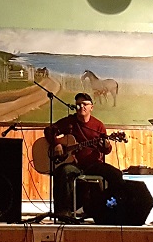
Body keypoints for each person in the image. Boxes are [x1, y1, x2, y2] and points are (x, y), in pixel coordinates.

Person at [43, 92, 123, 222]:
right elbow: (49, 130)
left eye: (85, 104)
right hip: (73, 165)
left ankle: (113, 210)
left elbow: (106, 150)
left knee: (116, 174)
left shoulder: (98, 126)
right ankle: (63, 213)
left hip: (93, 165)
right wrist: (56, 144)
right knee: (64, 171)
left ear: (91, 107)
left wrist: (107, 145)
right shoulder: (69, 122)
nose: (81, 107)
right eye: (78, 104)